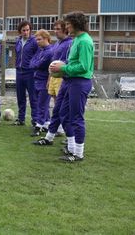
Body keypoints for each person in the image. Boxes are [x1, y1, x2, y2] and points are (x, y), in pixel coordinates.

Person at [49, 11, 94, 162]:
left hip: (79, 82)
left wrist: (63, 69)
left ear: (76, 24)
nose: (66, 27)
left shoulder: (85, 41)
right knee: (63, 113)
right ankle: (71, 147)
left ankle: (78, 154)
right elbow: (73, 62)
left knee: (76, 117)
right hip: (69, 81)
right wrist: (63, 67)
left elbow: (83, 66)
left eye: (68, 24)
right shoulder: (76, 39)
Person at [33, 20, 73, 146]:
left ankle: (69, 134)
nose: (55, 31)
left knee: (63, 107)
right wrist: (49, 78)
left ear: (65, 29)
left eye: (58, 29)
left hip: (63, 77)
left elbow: (67, 61)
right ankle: (59, 129)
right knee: (57, 105)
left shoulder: (69, 43)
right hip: (54, 77)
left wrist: (61, 68)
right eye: (54, 29)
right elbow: (52, 62)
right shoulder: (57, 44)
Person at [29, 29, 53, 136]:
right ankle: (47, 124)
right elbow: (32, 63)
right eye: (36, 39)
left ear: (46, 39)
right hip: (37, 79)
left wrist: (36, 63)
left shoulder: (50, 52)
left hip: (44, 81)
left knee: (42, 104)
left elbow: (39, 64)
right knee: (42, 103)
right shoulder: (40, 50)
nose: (37, 42)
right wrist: (36, 63)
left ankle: (38, 126)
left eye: (39, 39)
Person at [14, 20, 39, 127]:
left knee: (33, 97)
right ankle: (21, 119)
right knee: (20, 97)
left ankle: (35, 120)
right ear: (20, 31)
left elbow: (38, 55)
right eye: (23, 30)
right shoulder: (18, 41)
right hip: (19, 72)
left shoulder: (34, 41)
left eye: (28, 30)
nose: (26, 32)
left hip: (30, 73)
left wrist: (33, 67)